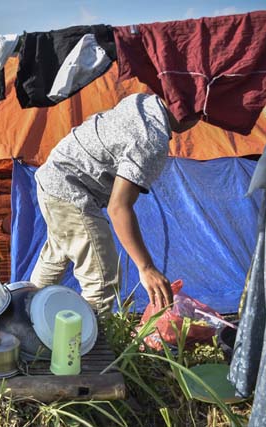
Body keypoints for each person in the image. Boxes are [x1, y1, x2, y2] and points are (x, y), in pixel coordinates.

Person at [30, 93, 199, 314]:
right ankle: (87, 344)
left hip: (53, 175)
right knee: (101, 282)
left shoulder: (143, 101)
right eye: (199, 116)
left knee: (57, 255)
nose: (198, 122)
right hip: (71, 189)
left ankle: (23, 318)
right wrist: (146, 267)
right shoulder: (151, 140)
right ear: (186, 112)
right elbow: (118, 207)